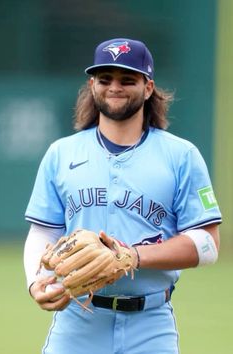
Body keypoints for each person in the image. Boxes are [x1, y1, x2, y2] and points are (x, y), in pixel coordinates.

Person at [24, 38, 222, 354]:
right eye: (105, 79)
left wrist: (133, 256)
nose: (115, 87)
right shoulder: (61, 153)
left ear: (148, 87)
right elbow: (43, 230)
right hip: (78, 322)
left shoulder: (181, 155)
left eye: (127, 79)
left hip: (151, 324)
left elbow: (208, 244)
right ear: (92, 85)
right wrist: (36, 282)